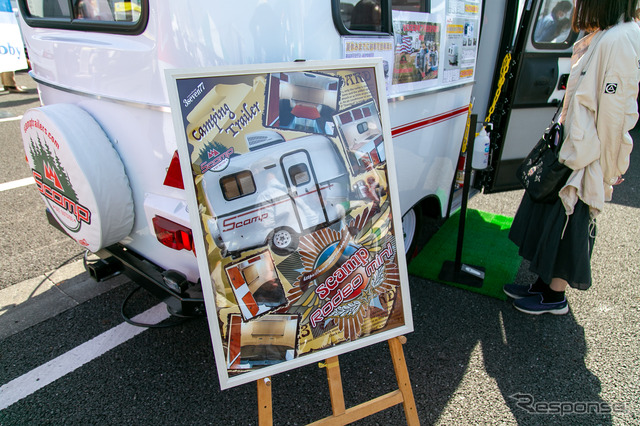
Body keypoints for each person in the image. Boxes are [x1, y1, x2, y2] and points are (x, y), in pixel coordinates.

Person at [504, 0, 640, 315]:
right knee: (555, 219)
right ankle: (543, 287)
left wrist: (611, 165)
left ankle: (555, 297)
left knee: (571, 223)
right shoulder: (612, 33)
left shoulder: (619, 39)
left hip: (589, 154)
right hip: (579, 147)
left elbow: (615, 116)